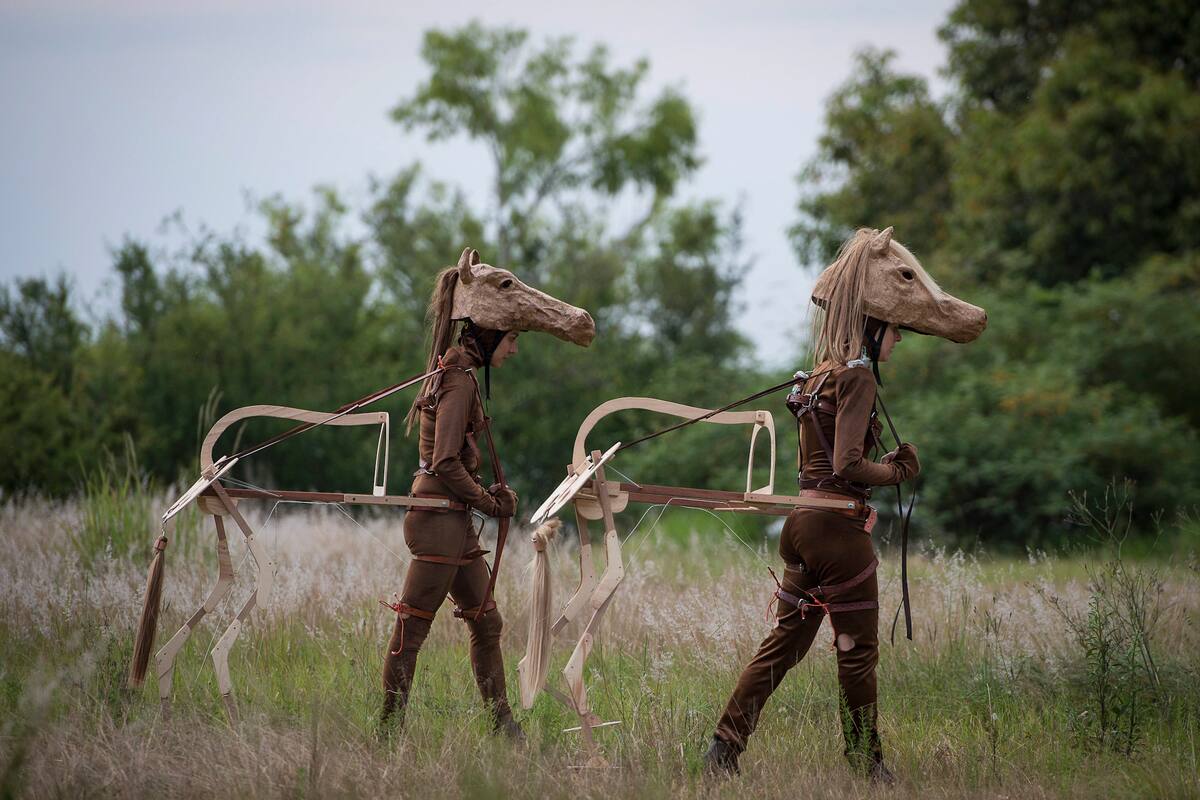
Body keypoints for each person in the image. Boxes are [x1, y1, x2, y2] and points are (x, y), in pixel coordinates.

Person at [702, 227, 987, 780]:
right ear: (872, 325)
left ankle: (723, 750)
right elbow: (848, 466)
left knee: (783, 646)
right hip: (837, 533)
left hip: (802, 525)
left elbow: (823, 464)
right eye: (895, 329)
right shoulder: (856, 378)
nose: (898, 339)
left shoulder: (818, 376)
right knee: (857, 654)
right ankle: (867, 765)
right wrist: (898, 471)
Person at [379, 247, 595, 737]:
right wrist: (489, 502)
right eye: (512, 338)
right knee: (412, 630)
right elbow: (444, 462)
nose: (514, 349)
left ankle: (504, 728)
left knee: (486, 624)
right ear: (489, 334)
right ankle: (387, 733)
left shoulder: (458, 373)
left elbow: (450, 461)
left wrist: (482, 494)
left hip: (451, 520)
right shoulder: (458, 382)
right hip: (438, 520)